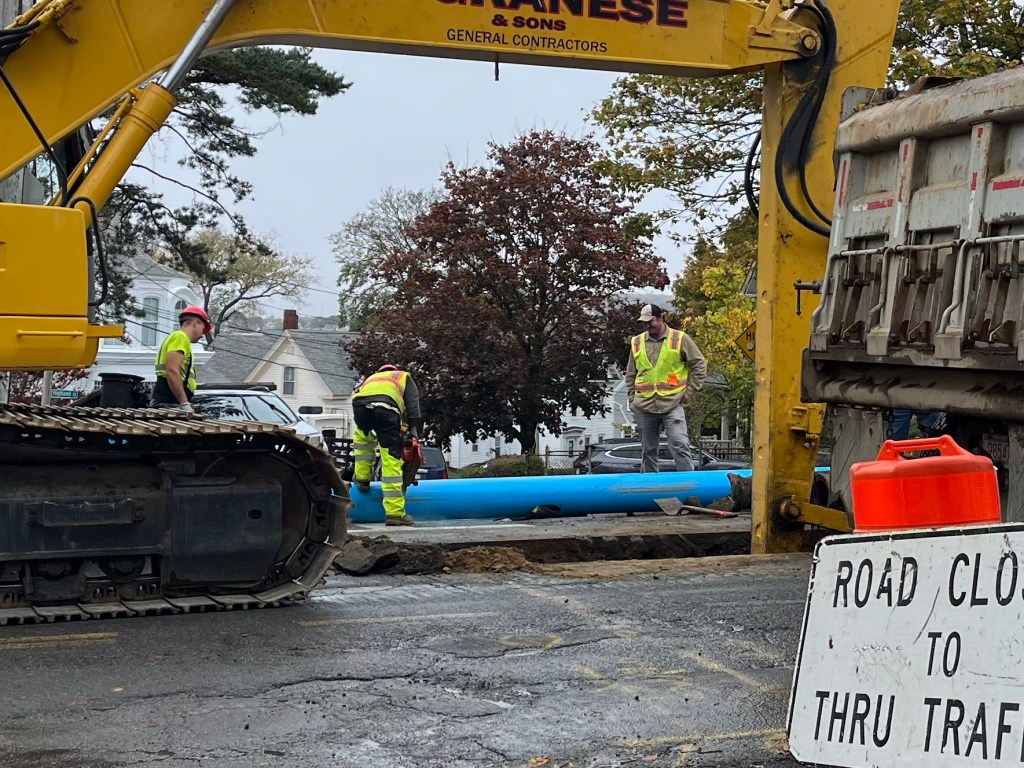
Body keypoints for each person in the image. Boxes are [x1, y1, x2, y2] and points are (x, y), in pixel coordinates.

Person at [625, 303, 707, 473]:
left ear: (661, 318)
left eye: (650, 321)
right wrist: (632, 398)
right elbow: (631, 373)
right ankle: (650, 486)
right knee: (648, 451)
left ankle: (688, 485)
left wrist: (689, 391)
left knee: (680, 445)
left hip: (672, 403)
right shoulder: (637, 342)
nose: (647, 325)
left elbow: (699, 364)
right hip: (644, 405)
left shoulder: (679, 339)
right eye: (644, 322)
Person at [351, 364, 423, 526]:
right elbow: (413, 407)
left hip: (360, 407)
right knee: (391, 459)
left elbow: (363, 397)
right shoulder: (403, 377)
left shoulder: (371, 378)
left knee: (363, 442)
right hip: (386, 409)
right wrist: (413, 429)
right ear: (394, 370)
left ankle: (362, 480)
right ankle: (395, 513)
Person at [151, 305, 211, 410]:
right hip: (170, 401)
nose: (202, 334)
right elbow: (172, 370)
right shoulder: (181, 337)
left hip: (168, 399)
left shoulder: (180, 338)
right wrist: (184, 403)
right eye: (203, 329)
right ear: (195, 323)